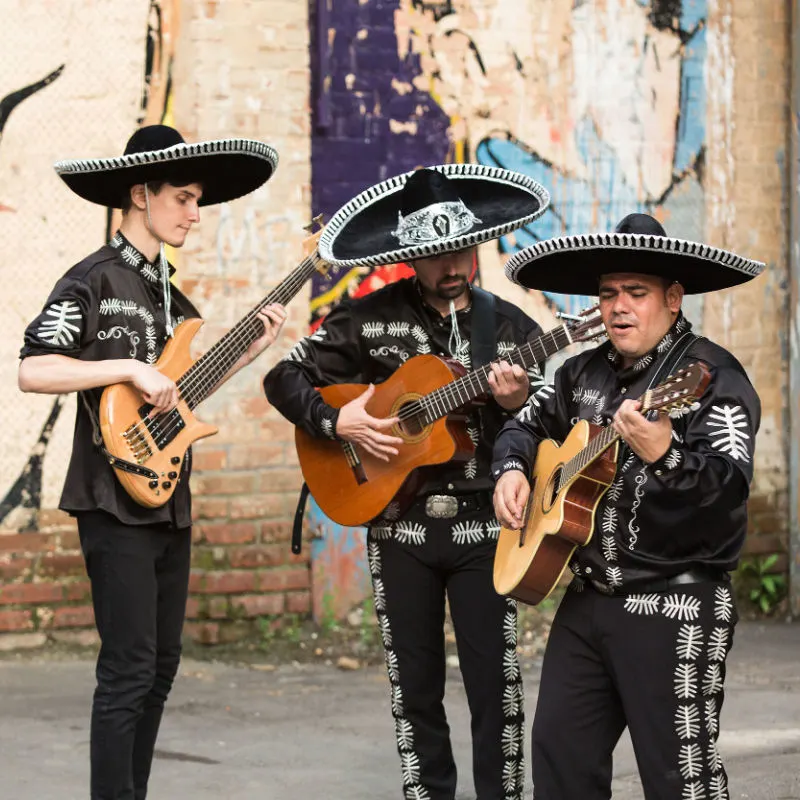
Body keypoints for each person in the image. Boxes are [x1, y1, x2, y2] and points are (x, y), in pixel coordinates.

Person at [17, 124, 287, 800]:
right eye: (185, 198)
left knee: (162, 667)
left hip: (169, 496)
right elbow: (33, 369)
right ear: (142, 193)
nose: (196, 215)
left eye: (199, 202)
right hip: (110, 499)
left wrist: (245, 353)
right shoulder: (90, 279)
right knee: (129, 668)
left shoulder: (176, 300)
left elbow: (172, 402)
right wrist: (127, 367)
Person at [265, 165, 550, 800]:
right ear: (409, 257)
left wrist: (513, 402)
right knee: (413, 690)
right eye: (434, 254)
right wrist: (338, 421)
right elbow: (283, 378)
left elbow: (546, 422)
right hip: (399, 528)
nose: (452, 266)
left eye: (461, 250)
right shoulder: (366, 320)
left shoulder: (510, 329)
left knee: (495, 691)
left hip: (485, 527)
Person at [492, 213, 764, 800]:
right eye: (609, 293)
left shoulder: (714, 377)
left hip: (676, 603)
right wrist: (511, 468)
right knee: (559, 761)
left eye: (636, 293)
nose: (619, 307)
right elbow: (524, 424)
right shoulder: (580, 373)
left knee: (679, 780)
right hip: (588, 602)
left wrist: (666, 454)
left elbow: (728, 493)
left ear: (672, 298)